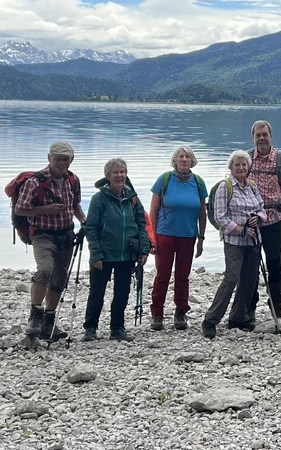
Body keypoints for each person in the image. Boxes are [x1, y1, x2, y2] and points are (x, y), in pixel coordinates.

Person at [13, 141, 86, 342]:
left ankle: (49, 322)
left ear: (72, 160)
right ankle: (35, 315)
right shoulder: (35, 182)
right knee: (45, 270)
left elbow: (75, 205)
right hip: (42, 235)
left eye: (66, 159)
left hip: (66, 235)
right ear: (49, 158)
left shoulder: (73, 180)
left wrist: (83, 220)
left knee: (59, 279)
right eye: (58, 159)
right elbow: (20, 209)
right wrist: (46, 209)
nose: (62, 163)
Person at [83, 158, 152, 341]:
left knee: (122, 293)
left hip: (127, 253)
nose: (119, 175)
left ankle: (117, 328)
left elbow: (142, 225)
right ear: (108, 175)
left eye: (122, 172)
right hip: (104, 254)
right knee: (97, 292)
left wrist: (144, 250)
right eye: (115, 172)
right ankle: (90, 328)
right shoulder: (99, 199)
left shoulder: (133, 199)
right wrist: (96, 254)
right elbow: (91, 228)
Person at [203, 150, 267, 339]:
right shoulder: (225, 186)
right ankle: (210, 320)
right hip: (234, 241)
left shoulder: (252, 186)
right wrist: (240, 229)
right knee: (231, 278)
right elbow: (220, 216)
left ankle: (238, 318)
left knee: (249, 280)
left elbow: (262, 210)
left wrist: (258, 218)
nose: (241, 168)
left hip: (253, 240)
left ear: (248, 167)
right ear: (231, 167)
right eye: (237, 165)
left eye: (244, 164)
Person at [148, 146, 208, 331]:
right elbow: (153, 210)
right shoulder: (164, 179)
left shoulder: (198, 182)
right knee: (162, 275)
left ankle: (181, 312)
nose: (184, 159)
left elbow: (202, 213)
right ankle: (157, 314)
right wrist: (152, 238)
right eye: (180, 156)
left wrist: (201, 238)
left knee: (183, 276)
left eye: (187, 157)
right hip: (164, 234)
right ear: (174, 160)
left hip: (188, 236)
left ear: (192, 161)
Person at [246, 120, 281, 331]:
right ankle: (250, 307)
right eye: (258, 135)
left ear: (271, 136)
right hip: (251, 221)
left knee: (274, 265)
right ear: (253, 137)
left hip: (274, 220)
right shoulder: (246, 158)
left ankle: (276, 305)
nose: (262, 138)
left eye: (265, 134)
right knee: (251, 265)